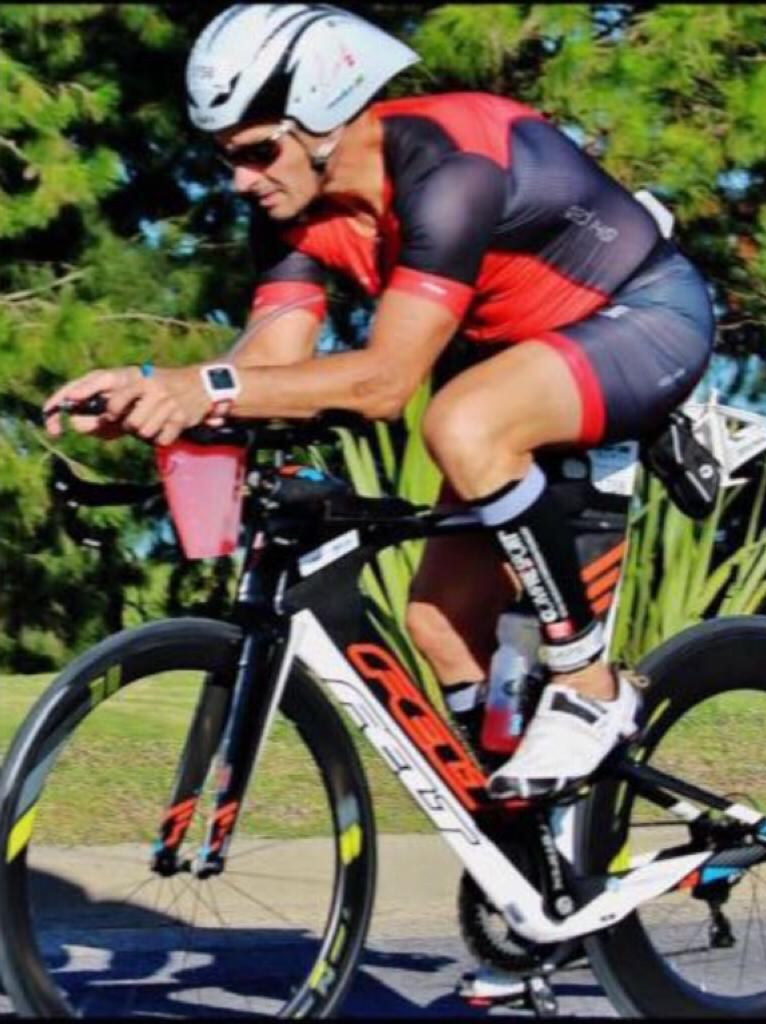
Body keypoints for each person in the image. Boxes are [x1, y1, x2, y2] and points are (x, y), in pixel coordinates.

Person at [44, 4, 714, 801]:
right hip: (509, 356)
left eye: (258, 152)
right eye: (225, 157)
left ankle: (593, 686)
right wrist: (155, 394)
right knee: (437, 620)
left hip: (641, 314)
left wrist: (205, 388)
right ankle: (537, 851)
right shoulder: (291, 212)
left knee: (459, 420)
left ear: (326, 117)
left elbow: (385, 384)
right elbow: (271, 367)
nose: (239, 180)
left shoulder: (446, 173)